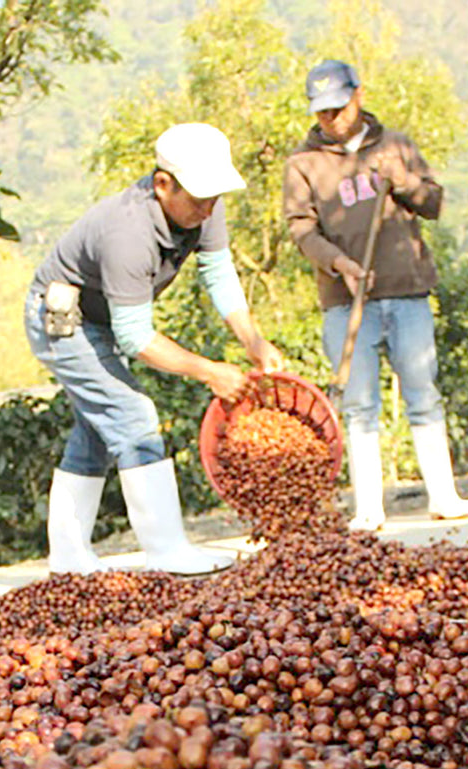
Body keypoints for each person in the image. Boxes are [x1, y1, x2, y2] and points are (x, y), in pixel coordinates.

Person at [26, 122, 283, 575]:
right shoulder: (127, 232)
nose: (209, 209)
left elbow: (219, 273)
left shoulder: (205, 202)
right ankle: (166, 549)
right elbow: (136, 337)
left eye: (214, 199)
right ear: (163, 185)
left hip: (104, 319)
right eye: (199, 200)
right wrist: (210, 371)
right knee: (133, 416)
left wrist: (253, 341)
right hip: (66, 319)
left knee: (96, 429)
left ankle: (68, 559)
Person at [282, 59, 468, 532]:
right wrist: (339, 263)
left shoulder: (396, 146)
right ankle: (368, 507)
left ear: (358, 95)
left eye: (338, 108)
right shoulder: (302, 163)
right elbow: (301, 230)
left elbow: (433, 203)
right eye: (322, 112)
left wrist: (404, 181)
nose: (331, 119)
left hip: (406, 288)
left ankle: (444, 495)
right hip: (346, 301)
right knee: (358, 402)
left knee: (423, 393)